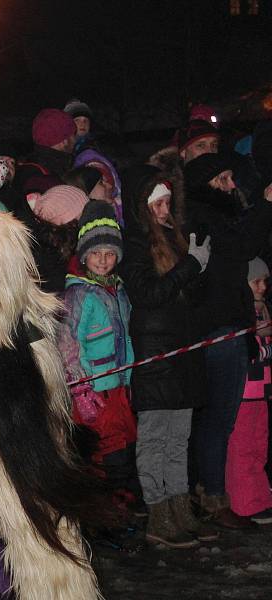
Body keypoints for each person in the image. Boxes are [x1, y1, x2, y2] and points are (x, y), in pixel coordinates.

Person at [120, 164, 217, 547]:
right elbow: (150, 295)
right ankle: (158, 512)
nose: (165, 210)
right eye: (158, 203)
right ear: (143, 207)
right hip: (156, 356)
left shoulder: (175, 240)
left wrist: (200, 271)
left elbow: (191, 300)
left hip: (182, 355)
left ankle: (180, 508)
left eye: (167, 203)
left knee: (180, 439)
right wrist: (190, 266)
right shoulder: (136, 244)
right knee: (155, 439)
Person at [184, 152, 272, 528]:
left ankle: (216, 494)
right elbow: (241, 247)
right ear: (206, 185)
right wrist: (266, 206)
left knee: (218, 418)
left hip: (225, 326)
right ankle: (215, 498)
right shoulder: (206, 217)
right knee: (219, 418)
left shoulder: (214, 215)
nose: (232, 185)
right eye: (223, 179)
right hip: (220, 328)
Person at [60, 201, 137, 498]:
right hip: (94, 391)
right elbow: (67, 342)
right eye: (96, 253)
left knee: (123, 450)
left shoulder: (117, 289)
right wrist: (81, 389)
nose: (103, 260)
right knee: (106, 455)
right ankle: (106, 517)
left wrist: (128, 379)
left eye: (109, 254)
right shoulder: (79, 294)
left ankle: (119, 510)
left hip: (117, 387)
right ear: (84, 255)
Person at [225, 258, 272, 525]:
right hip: (243, 390)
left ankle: (260, 497)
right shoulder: (240, 313)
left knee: (259, 445)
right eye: (257, 281)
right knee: (242, 447)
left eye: (265, 281)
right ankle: (244, 503)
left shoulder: (264, 309)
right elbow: (247, 349)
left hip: (261, 389)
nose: (263, 286)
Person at [14, 108, 77, 194]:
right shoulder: (48, 179)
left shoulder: (27, 168)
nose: (75, 140)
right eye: (73, 135)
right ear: (64, 141)